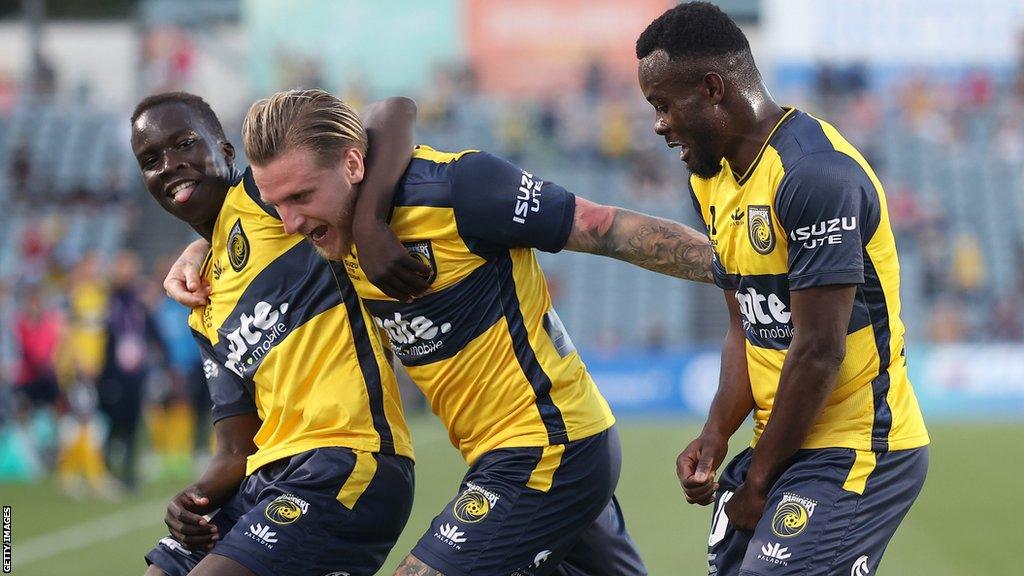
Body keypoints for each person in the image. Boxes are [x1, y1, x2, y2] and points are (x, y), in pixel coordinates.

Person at [233, 88, 715, 576]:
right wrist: (196, 258)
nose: (288, 222)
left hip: (549, 447)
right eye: (277, 204)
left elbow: (604, 227)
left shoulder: (458, 189)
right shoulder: (323, 221)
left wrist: (737, 266)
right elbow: (387, 114)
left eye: (301, 197)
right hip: (503, 455)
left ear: (354, 164)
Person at [634, 3, 930, 575]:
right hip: (788, 445)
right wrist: (716, 431)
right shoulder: (712, 179)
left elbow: (819, 351)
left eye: (664, 105)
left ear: (713, 89)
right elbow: (747, 325)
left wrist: (760, 479)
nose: (659, 125)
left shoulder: (814, 175)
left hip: (859, 446)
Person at [129, 91, 416, 576]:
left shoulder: (271, 200)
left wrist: (367, 227)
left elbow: (394, 113)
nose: (171, 164)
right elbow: (235, 450)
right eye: (152, 159)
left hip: (348, 457)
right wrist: (192, 496)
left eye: (184, 144)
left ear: (224, 152)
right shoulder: (202, 304)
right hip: (268, 478)